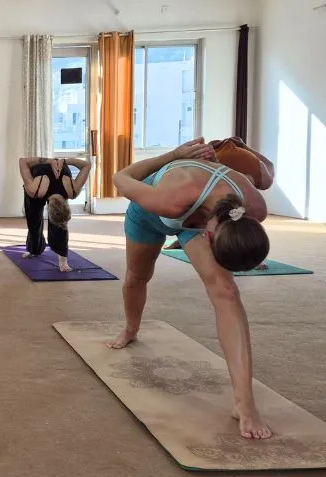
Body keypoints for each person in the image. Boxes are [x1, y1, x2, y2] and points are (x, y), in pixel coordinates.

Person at [106, 137, 272, 440]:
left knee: (226, 291)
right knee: (137, 277)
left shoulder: (255, 209)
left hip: (197, 218)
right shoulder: (171, 198)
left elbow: (263, 174)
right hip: (149, 216)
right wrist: (172, 154)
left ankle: (244, 402)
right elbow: (121, 177)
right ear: (211, 235)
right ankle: (131, 328)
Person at [164, 136, 275, 251]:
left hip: (226, 159)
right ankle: (228, 145)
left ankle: (229, 145)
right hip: (224, 162)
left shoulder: (255, 193)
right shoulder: (253, 196)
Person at [18, 155, 92, 271]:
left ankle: (63, 261)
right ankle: (34, 250)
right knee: (33, 219)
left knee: (60, 225)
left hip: (54, 178)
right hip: (39, 176)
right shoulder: (34, 189)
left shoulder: (72, 190)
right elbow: (23, 162)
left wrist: (64, 161)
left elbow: (87, 165)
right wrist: (50, 161)